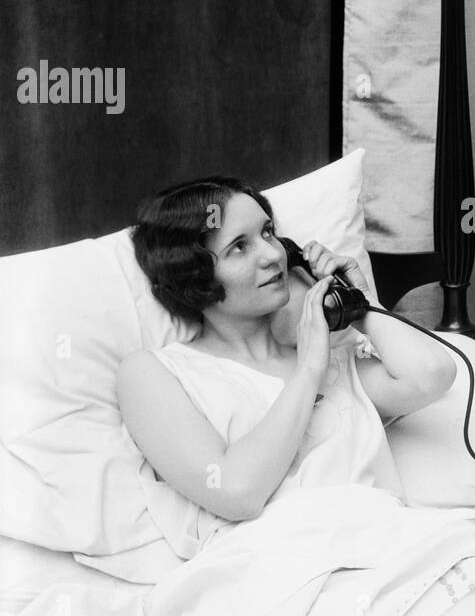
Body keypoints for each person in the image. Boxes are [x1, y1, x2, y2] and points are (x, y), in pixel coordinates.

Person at [118, 175, 456, 531]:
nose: (272, 255)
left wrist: (358, 301)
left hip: (392, 546)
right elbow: (236, 493)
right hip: (282, 567)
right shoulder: (154, 373)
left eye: (267, 233)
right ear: (194, 275)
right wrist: (308, 371)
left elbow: (431, 375)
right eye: (239, 247)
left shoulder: (334, 361)